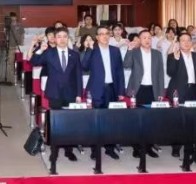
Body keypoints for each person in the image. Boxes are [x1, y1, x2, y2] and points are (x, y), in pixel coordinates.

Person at [31, 27, 84, 162]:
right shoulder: (49, 53)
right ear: (54, 39)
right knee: (56, 123)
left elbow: (78, 75)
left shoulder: (74, 55)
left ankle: (68, 150)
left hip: (71, 93)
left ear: (68, 38)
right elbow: (33, 62)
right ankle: (54, 151)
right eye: (59, 37)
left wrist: (79, 94)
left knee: (70, 123)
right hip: (54, 93)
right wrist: (40, 50)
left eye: (64, 36)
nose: (62, 39)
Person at [80, 25, 125, 160]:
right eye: (101, 34)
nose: (105, 36)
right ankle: (95, 149)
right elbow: (84, 66)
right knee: (96, 121)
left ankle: (110, 148)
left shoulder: (115, 51)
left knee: (111, 121)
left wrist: (121, 91)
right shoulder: (92, 51)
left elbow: (120, 72)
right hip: (96, 90)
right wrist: (89, 49)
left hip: (112, 89)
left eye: (107, 33)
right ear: (97, 37)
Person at [124, 30, 164, 159]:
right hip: (138, 90)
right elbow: (126, 65)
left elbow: (160, 73)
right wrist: (129, 50)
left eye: (149, 38)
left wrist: (161, 92)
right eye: (144, 38)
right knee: (136, 120)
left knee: (151, 121)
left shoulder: (157, 54)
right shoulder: (134, 52)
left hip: (153, 90)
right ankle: (137, 148)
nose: (147, 40)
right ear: (139, 40)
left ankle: (148, 147)